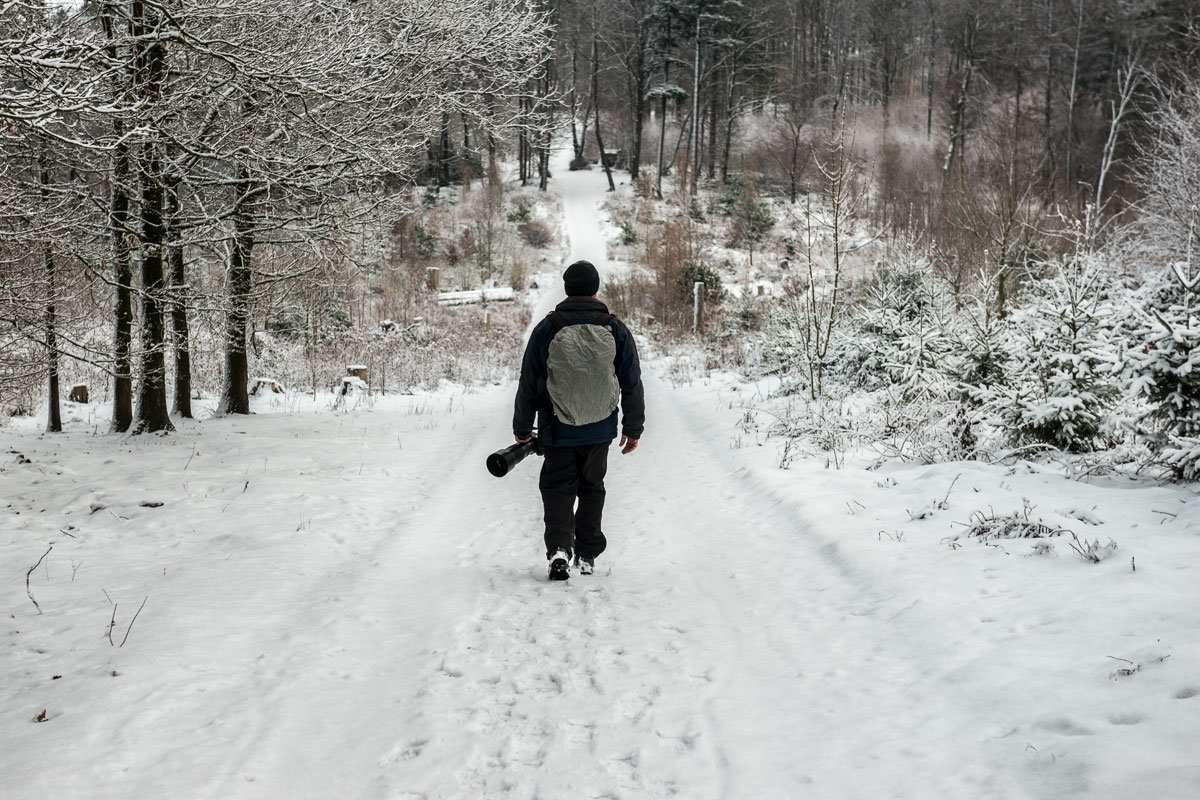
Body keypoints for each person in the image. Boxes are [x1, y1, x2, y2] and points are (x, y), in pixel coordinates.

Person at [513, 260, 645, 580]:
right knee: (592, 487)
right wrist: (633, 428)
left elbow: (529, 380)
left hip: (557, 428)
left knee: (558, 487)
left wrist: (521, 426)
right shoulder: (614, 328)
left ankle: (559, 549)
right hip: (600, 428)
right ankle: (586, 555)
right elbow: (631, 379)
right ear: (596, 290)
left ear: (567, 288)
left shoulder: (549, 328)